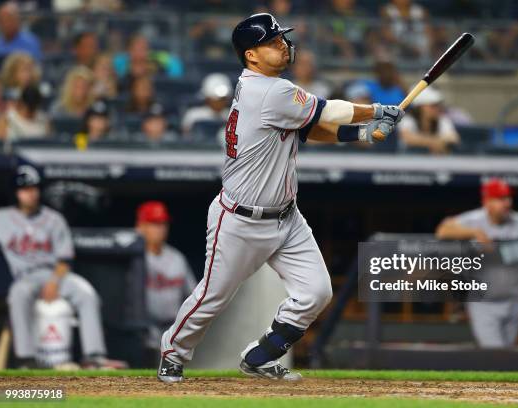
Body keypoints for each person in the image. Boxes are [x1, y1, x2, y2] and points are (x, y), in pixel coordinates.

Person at [157, 13, 404, 383]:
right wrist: (377, 110)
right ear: (251, 55)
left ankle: (261, 355)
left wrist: (364, 135)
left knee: (316, 292)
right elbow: (330, 110)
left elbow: (309, 129)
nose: (282, 45)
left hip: (286, 218)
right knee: (212, 297)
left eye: (281, 39)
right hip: (239, 220)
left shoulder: (270, 90)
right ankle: (172, 354)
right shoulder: (269, 91)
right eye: (271, 42)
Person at [0, 165, 126, 369]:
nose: (31, 194)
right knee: (18, 294)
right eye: (25, 189)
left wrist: (54, 282)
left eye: (34, 188)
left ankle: (94, 355)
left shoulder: (54, 219)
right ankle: (26, 359)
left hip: (55, 273)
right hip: (25, 278)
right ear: (15, 193)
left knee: (87, 293)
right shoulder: (2, 218)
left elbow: (65, 259)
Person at [435, 178, 518, 348]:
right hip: (483, 303)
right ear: (487, 202)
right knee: (495, 353)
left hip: (513, 300)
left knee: (506, 356)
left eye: (508, 198)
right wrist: (473, 232)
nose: (507, 203)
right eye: (500, 199)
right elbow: (443, 230)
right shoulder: (475, 220)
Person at [136, 201, 196, 364]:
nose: (160, 229)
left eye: (163, 224)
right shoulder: (134, 260)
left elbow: (194, 295)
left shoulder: (177, 258)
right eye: (154, 224)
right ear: (140, 227)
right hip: (145, 330)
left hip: (174, 327)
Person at [397, 86, 460, 154]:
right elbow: (407, 138)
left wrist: (426, 142)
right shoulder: (407, 120)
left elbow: (454, 138)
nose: (437, 108)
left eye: (438, 105)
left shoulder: (443, 120)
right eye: (433, 106)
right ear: (420, 107)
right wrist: (435, 142)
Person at [113, 34, 183, 81]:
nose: (140, 53)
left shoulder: (157, 60)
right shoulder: (120, 61)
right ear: (129, 50)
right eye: (137, 49)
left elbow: (176, 68)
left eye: (143, 49)